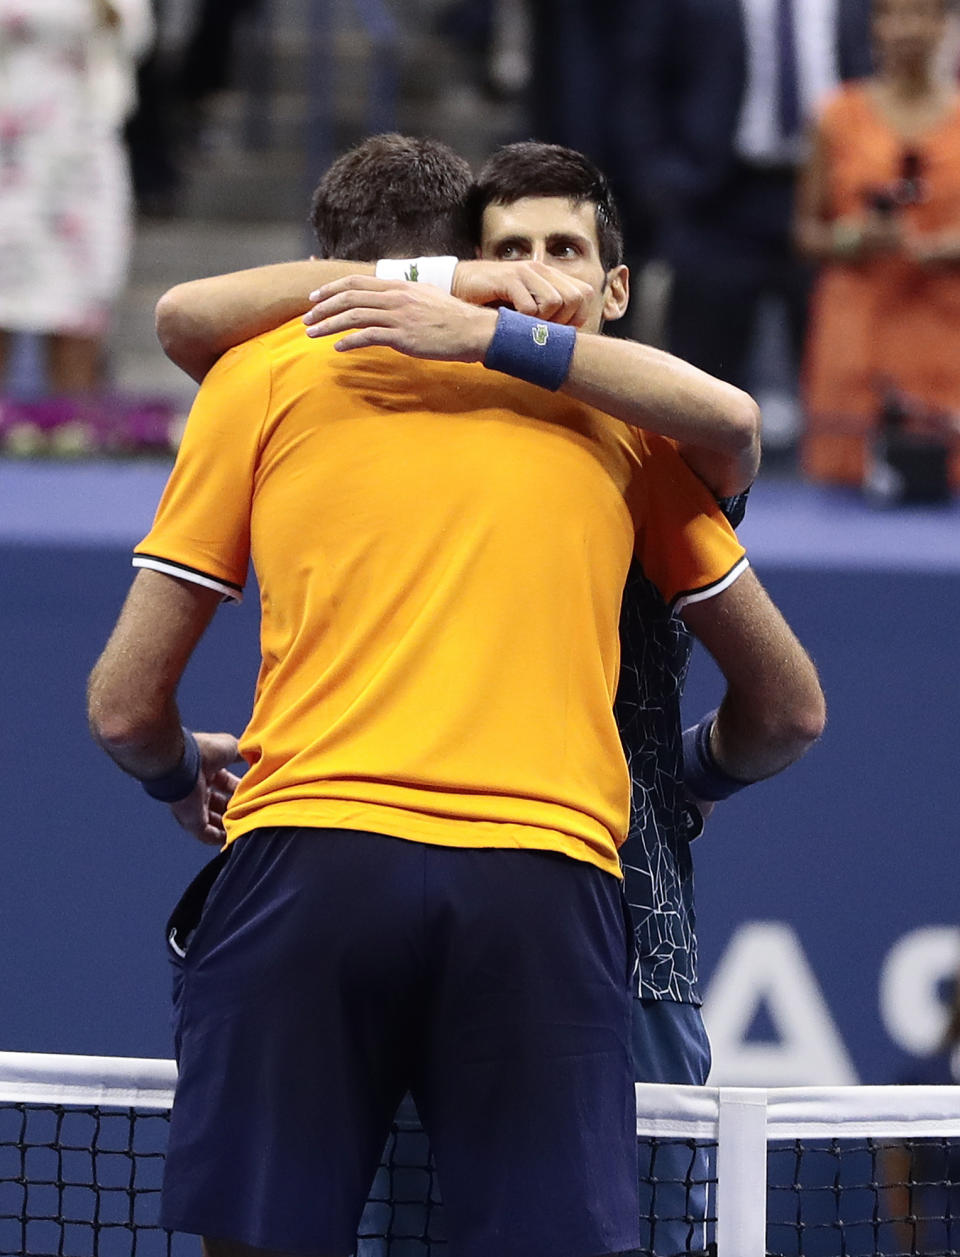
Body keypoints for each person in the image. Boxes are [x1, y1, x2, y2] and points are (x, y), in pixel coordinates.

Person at [90, 135, 825, 1257]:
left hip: (309, 867)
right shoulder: (627, 428)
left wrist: (181, 773)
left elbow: (122, 706)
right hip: (551, 887)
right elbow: (787, 702)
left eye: (560, 253)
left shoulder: (262, 378)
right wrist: (680, 782)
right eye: (508, 252)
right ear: (470, 258)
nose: (535, 271)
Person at [620, 0, 872, 409]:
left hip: (833, 200)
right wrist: (658, 179)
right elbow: (643, 76)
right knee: (702, 388)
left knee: (843, 387)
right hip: (717, 198)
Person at [796, 0, 960, 491]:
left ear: (945, 24)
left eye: (923, 14)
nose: (908, 28)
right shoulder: (836, 115)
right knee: (844, 483)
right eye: (894, 14)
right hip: (855, 328)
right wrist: (854, 238)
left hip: (943, 328)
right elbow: (806, 232)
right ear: (875, 27)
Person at [0, 0, 154, 394]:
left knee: (80, 310)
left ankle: (76, 438)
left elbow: (135, 33)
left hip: (81, 152)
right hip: (9, 150)